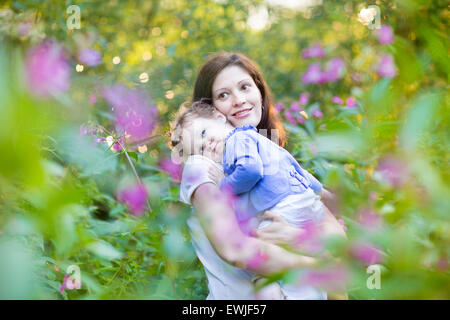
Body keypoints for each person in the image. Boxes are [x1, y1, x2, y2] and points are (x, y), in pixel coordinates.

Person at [171, 52, 346, 299]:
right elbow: (235, 250)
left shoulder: (269, 154)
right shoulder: (201, 165)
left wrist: (296, 237)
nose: (239, 100)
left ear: (259, 91)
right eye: (223, 95)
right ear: (212, 109)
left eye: (245, 87)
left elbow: (335, 234)